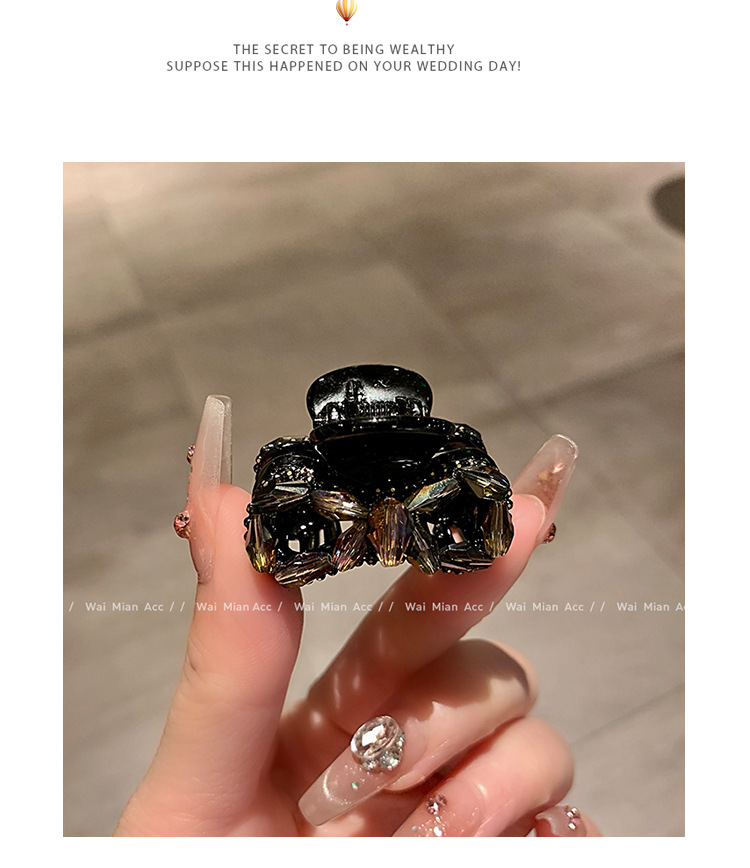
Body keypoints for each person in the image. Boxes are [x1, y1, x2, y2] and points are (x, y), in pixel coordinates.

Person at [115, 396, 600, 837]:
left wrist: (484, 513)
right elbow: (267, 525)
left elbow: (485, 496)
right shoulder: (300, 463)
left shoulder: (451, 452)